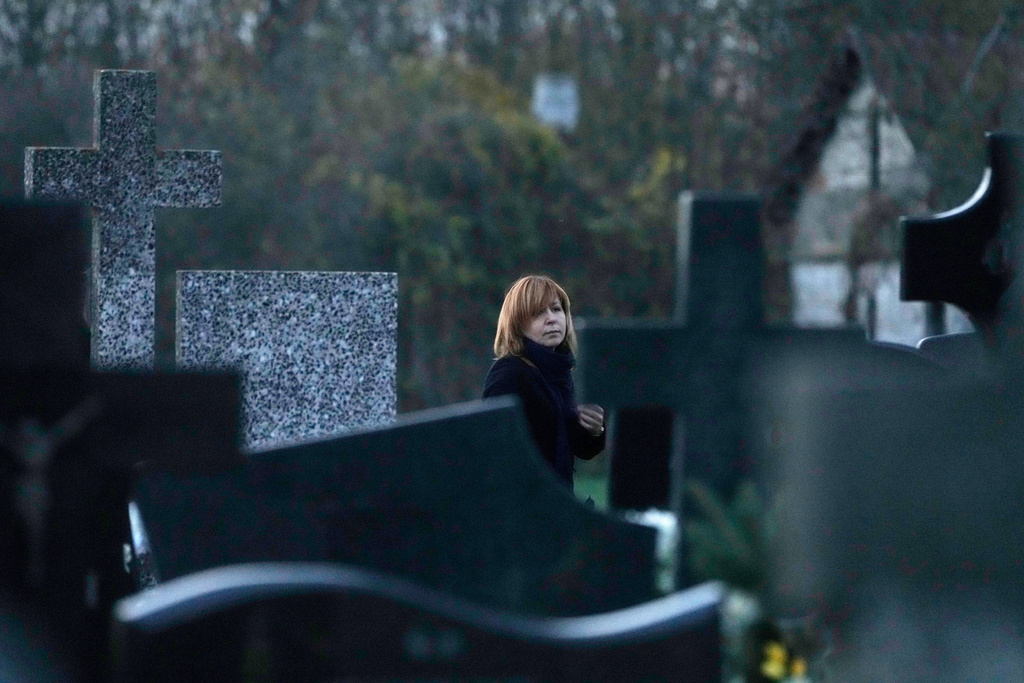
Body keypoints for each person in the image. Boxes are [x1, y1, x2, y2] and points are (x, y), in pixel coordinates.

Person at [482, 275, 606, 490]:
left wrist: (594, 429)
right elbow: (493, 450)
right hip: (524, 507)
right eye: (538, 313)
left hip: (556, 504)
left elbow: (579, 448)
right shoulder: (509, 373)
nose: (551, 319)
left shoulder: (560, 373)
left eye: (556, 309)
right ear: (517, 325)